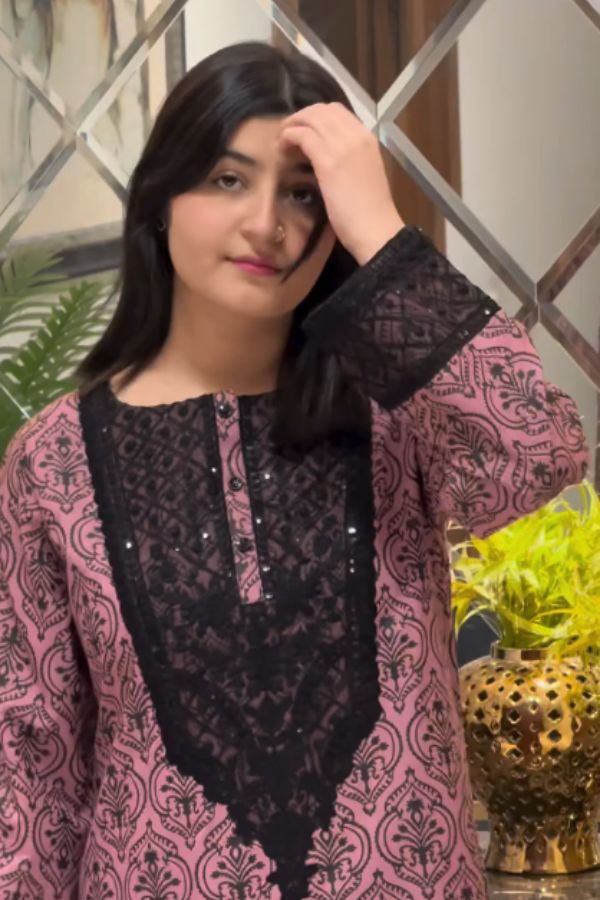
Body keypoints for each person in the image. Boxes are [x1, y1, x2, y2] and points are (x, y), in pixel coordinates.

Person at [0, 40, 588, 900]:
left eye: (305, 194)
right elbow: (29, 769)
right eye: (228, 180)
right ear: (162, 199)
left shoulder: (398, 409)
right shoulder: (53, 461)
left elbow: (534, 453)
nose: (267, 224)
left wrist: (382, 231)